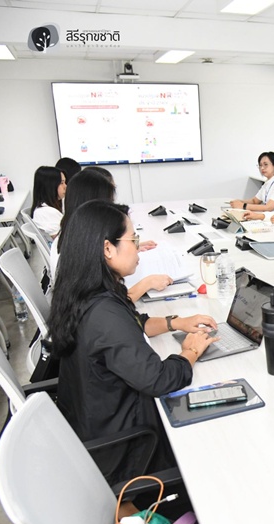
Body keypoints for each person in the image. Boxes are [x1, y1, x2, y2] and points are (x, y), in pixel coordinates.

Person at [49, 200, 219, 485]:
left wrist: (175, 322)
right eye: (133, 240)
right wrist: (190, 351)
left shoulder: (85, 293)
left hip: (95, 423)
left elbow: (133, 323)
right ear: (107, 249)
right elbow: (159, 380)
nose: (138, 248)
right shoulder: (104, 314)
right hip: (126, 451)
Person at [49, 169, 168, 302]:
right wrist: (147, 283)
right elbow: (106, 302)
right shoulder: (75, 252)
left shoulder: (72, 236)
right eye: (109, 201)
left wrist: (127, 245)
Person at [30, 165, 67, 237]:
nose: (65, 186)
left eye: (65, 182)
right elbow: (61, 240)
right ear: (50, 186)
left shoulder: (55, 204)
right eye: (62, 183)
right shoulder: (45, 212)